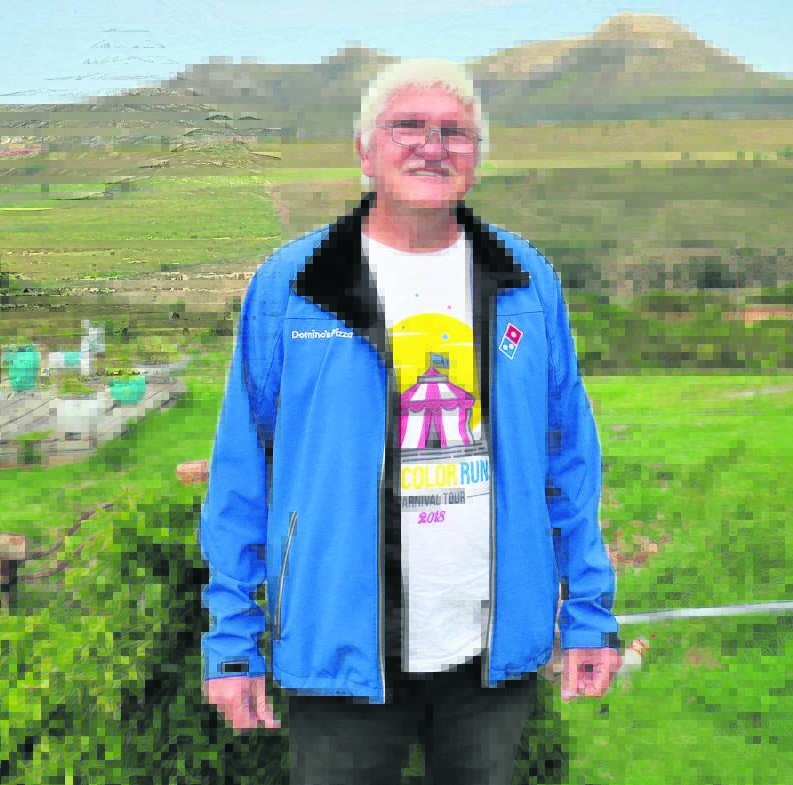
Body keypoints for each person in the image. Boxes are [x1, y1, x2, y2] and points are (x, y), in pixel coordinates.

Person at [199, 58, 622, 785]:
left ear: (477, 157)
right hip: (337, 648)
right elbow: (244, 471)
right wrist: (233, 642)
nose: (433, 145)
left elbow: (568, 460)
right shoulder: (295, 286)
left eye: (455, 132)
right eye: (408, 127)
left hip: (489, 655)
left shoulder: (525, 279)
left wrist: (588, 611)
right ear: (364, 151)